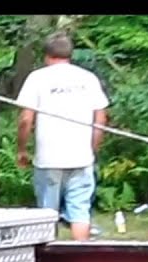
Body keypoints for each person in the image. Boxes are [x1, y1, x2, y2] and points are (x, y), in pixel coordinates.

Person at [15, 33, 110, 241]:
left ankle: (49, 259)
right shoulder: (88, 78)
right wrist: (92, 148)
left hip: (48, 158)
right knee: (80, 211)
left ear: (46, 55)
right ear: (70, 53)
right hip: (81, 156)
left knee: (47, 214)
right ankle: (83, 258)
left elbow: (25, 119)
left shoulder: (37, 78)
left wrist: (21, 149)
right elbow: (100, 119)